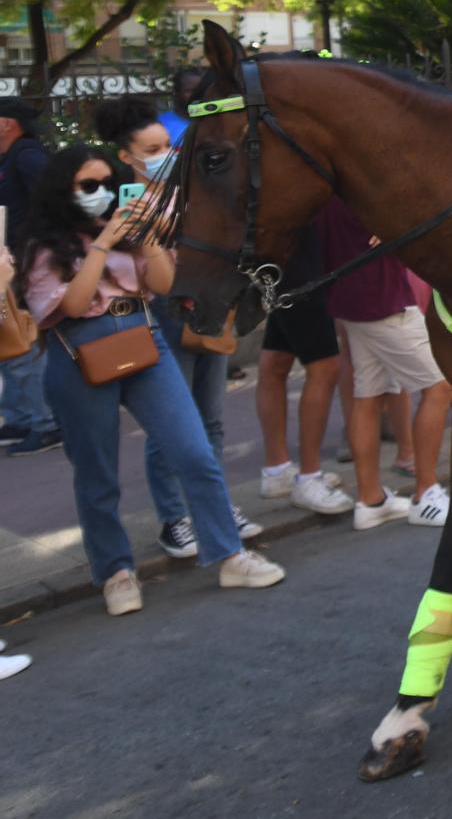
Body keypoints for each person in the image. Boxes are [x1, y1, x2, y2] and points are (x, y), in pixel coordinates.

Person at [21, 144, 284, 613]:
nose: (100, 194)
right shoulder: (45, 247)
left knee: (194, 450)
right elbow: (75, 306)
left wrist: (146, 239)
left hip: (145, 340)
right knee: (98, 475)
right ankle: (116, 573)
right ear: (64, 190)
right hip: (80, 353)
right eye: (88, 185)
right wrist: (101, 245)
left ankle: (227, 553)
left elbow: (163, 285)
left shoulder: (129, 234)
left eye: (107, 183)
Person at [94, 97, 261, 551]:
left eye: (168, 145)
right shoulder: (120, 207)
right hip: (160, 319)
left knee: (211, 419)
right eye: (151, 149)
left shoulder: (191, 191)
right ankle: (174, 519)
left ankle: (216, 506)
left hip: (206, 308)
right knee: (172, 426)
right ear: (126, 156)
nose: (165, 154)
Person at [318, 196, 451, 528]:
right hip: (382, 298)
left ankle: (371, 499)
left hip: (353, 297)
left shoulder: (329, 187)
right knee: (439, 388)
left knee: (369, 394)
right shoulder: (356, 183)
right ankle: (426, 492)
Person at [254, 207, 352, 515]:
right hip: (295, 258)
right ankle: (308, 477)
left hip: (283, 253)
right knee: (325, 366)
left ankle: (277, 469)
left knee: (276, 361)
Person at [0, 95, 60, 457]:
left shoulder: (26, 155)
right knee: (8, 337)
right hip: (10, 262)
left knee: (22, 341)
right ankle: (21, 415)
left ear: (7, 123)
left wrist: (31, 247)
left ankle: (46, 422)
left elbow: (52, 199)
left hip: (23, 262)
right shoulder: (10, 158)